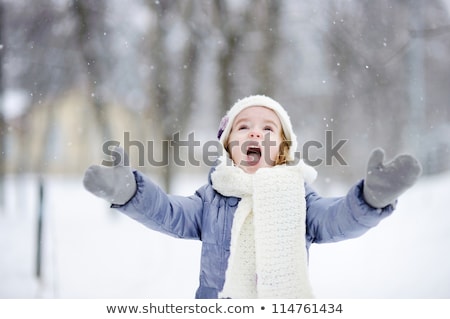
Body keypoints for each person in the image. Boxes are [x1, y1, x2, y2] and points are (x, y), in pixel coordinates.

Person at [83, 95, 422, 299]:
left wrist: (369, 199)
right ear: (229, 146)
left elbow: (335, 220)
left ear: (282, 150)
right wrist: (131, 193)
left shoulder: (298, 196)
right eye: (243, 127)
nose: (256, 131)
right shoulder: (212, 197)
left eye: (269, 129)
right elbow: (170, 212)